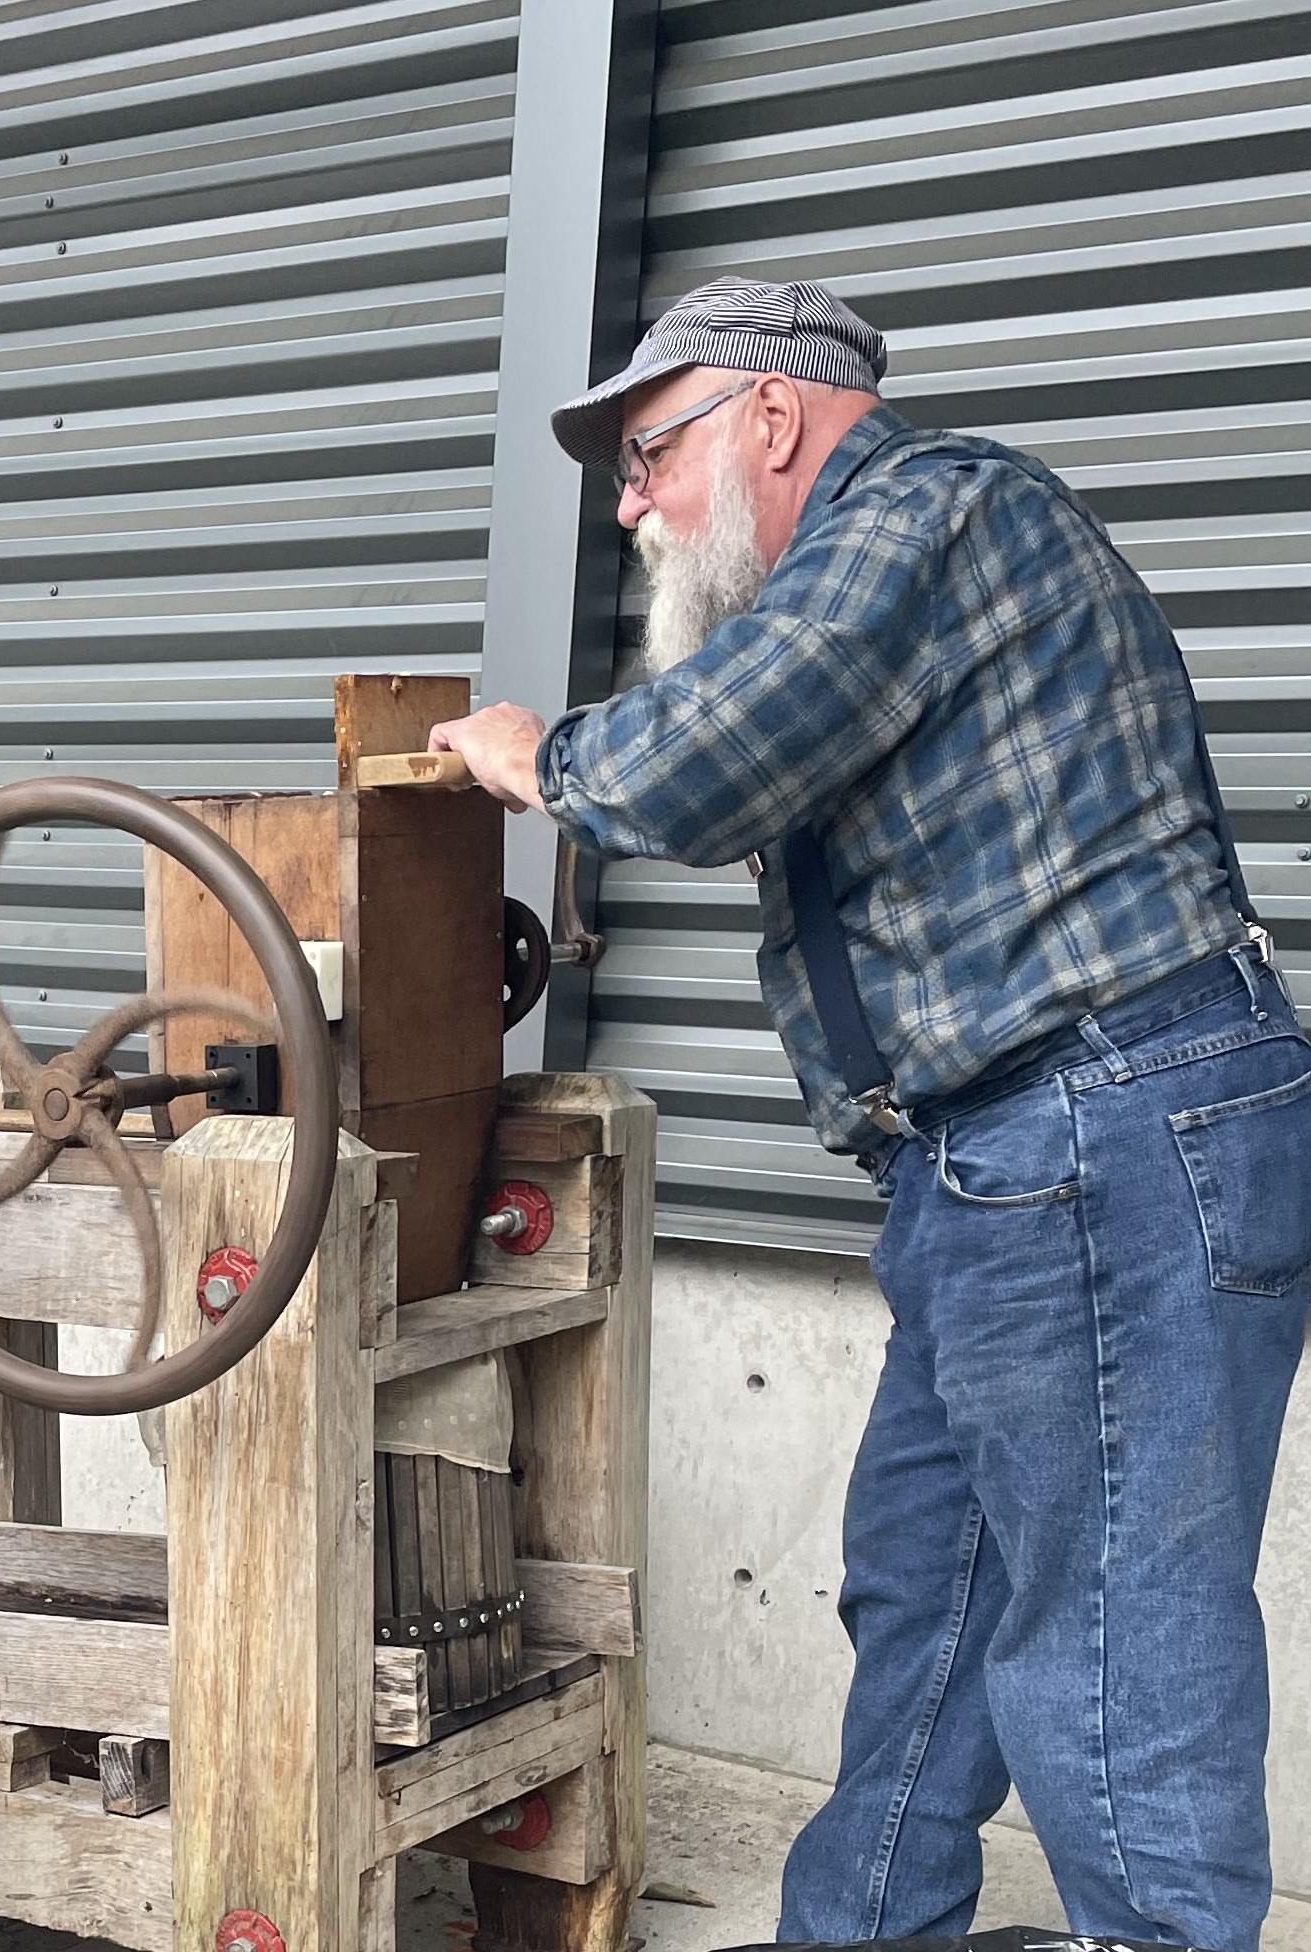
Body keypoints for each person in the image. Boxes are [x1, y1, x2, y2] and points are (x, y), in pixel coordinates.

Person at [432, 279, 1309, 1952]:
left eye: (645, 454)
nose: (630, 507)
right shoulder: (871, 572)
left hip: (1100, 1126)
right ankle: (863, 1926)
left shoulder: (934, 506)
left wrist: (535, 755)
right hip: (997, 1157)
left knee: (1112, 1619)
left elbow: (701, 756)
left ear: (768, 417)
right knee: (928, 1580)